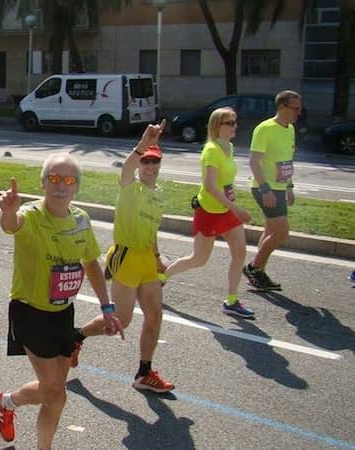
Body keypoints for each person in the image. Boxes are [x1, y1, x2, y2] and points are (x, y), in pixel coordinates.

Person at [0, 154, 122, 447]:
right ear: (43, 182)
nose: (61, 186)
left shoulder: (80, 220)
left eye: (69, 180)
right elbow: (12, 225)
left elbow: (91, 264)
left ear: (77, 187)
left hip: (63, 312)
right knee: (57, 394)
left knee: (54, 391)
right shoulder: (32, 215)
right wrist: (8, 211)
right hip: (30, 312)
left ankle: (6, 402)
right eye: (54, 179)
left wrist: (107, 307)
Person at [71, 120, 175, 393]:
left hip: (145, 260)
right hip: (126, 256)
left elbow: (151, 230)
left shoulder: (158, 195)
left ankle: (144, 372)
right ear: (141, 165)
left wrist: (157, 257)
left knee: (155, 314)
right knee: (122, 320)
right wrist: (143, 144)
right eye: (147, 163)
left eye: (155, 163)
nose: (150, 167)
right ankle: (77, 335)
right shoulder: (130, 187)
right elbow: (127, 167)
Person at [161, 108, 254, 318]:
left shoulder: (228, 147)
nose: (234, 126)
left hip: (227, 209)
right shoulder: (211, 150)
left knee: (240, 252)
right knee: (199, 259)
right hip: (209, 211)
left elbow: (225, 182)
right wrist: (236, 208)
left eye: (235, 122)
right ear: (217, 126)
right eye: (229, 123)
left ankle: (231, 301)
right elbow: (210, 186)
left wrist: (232, 203)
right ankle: (162, 276)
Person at [243, 90, 302, 291]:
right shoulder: (264, 129)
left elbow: (286, 161)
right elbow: (254, 161)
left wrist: (290, 187)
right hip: (264, 188)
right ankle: (253, 268)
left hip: (279, 187)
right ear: (282, 107)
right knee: (282, 233)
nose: (298, 112)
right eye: (295, 108)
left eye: (299, 108)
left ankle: (259, 273)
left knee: (270, 230)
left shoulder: (290, 129)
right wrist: (265, 189)